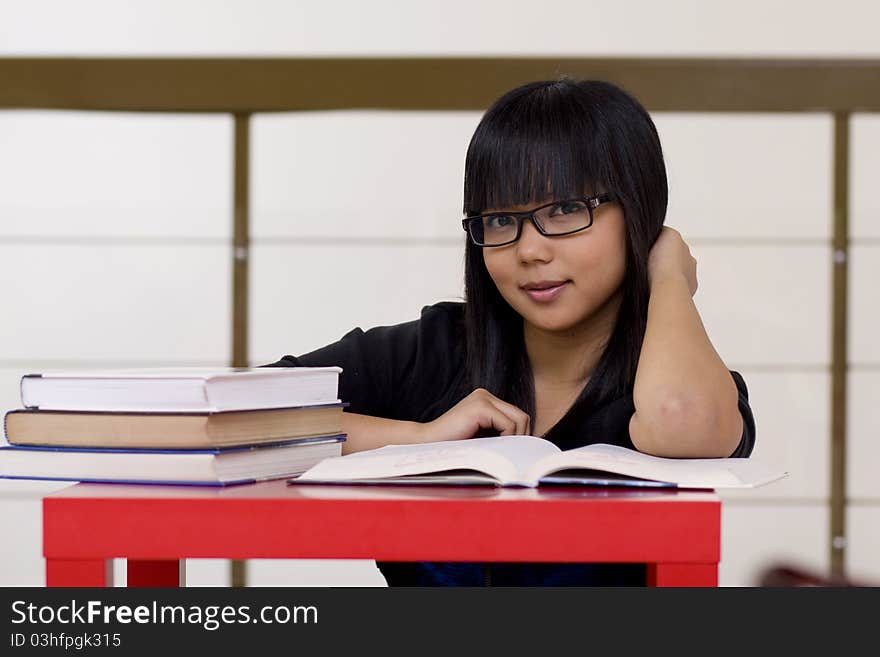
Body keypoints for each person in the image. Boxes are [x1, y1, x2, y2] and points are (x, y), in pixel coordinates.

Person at [266, 78, 756, 586]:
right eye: (501, 219)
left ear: (638, 211)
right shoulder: (436, 350)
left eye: (565, 210)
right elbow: (222, 419)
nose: (529, 250)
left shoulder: (679, 380)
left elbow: (682, 420)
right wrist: (421, 441)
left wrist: (670, 277)